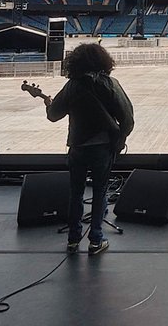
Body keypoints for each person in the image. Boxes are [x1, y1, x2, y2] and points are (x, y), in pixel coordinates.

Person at [38, 42, 134, 256]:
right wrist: (119, 140)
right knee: (100, 192)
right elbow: (127, 119)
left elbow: (54, 115)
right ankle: (95, 240)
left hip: (77, 148)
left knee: (76, 193)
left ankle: (73, 239)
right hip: (102, 149)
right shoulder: (110, 84)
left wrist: (47, 104)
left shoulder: (72, 86)